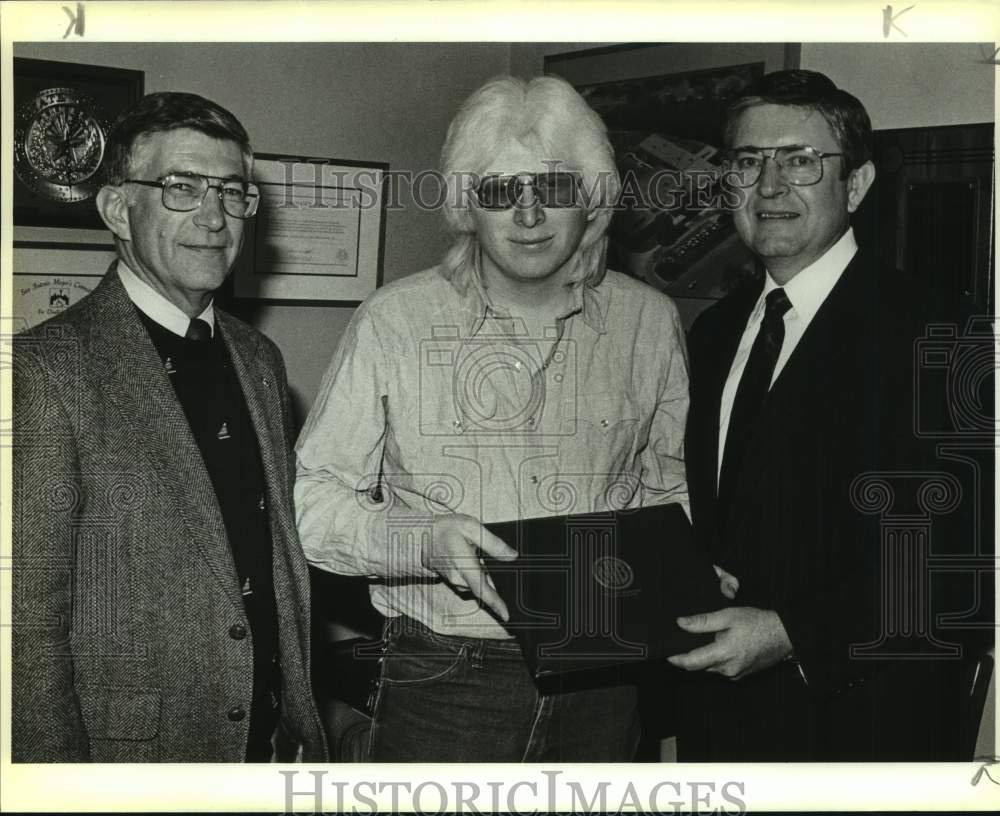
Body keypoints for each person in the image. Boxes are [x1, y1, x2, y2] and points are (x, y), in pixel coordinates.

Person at [295, 75, 690, 762]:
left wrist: (685, 574)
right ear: (467, 206)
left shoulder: (649, 322)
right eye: (501, 191)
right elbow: (312, 505)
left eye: (554, 188)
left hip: (607, 671)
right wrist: (423, 542)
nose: (529, 215)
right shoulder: (395, 321)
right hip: (442, 673)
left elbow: (672, 484)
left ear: (591, 200)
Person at [671, 69, 992, 760]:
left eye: (801, 160)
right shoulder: (714, 331)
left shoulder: (941, 330)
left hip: (864, 723)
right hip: (721, 729)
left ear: (857, 184)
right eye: (748, 162)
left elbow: (963, 563)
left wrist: (793, 632)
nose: (769, 186)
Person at [11, 92, 327, 763]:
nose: (214, 218)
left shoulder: (259, 359)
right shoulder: (44, 371)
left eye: (232, 192)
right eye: (181, 188)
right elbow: (26, 633)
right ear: (118, 209)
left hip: (266, 746)